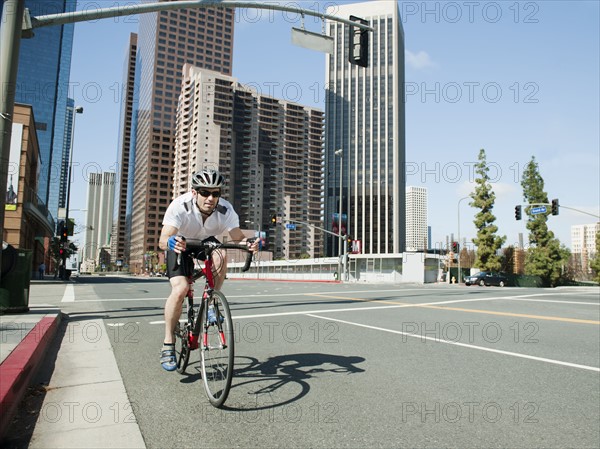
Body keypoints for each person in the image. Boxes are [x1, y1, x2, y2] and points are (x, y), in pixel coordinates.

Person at [158, 168, 259, 371]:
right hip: (181, 243)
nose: (210, 198)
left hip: (206, 243)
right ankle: (168, 343)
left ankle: (212, 303)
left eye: (215, 193)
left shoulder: (225, 209)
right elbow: (162, 240)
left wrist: (249, 242)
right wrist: (171, 243)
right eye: (205, 192)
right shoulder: (179, 206)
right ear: (194, 192)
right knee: (180, 289)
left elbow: (236, 236)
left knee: (221, 254)